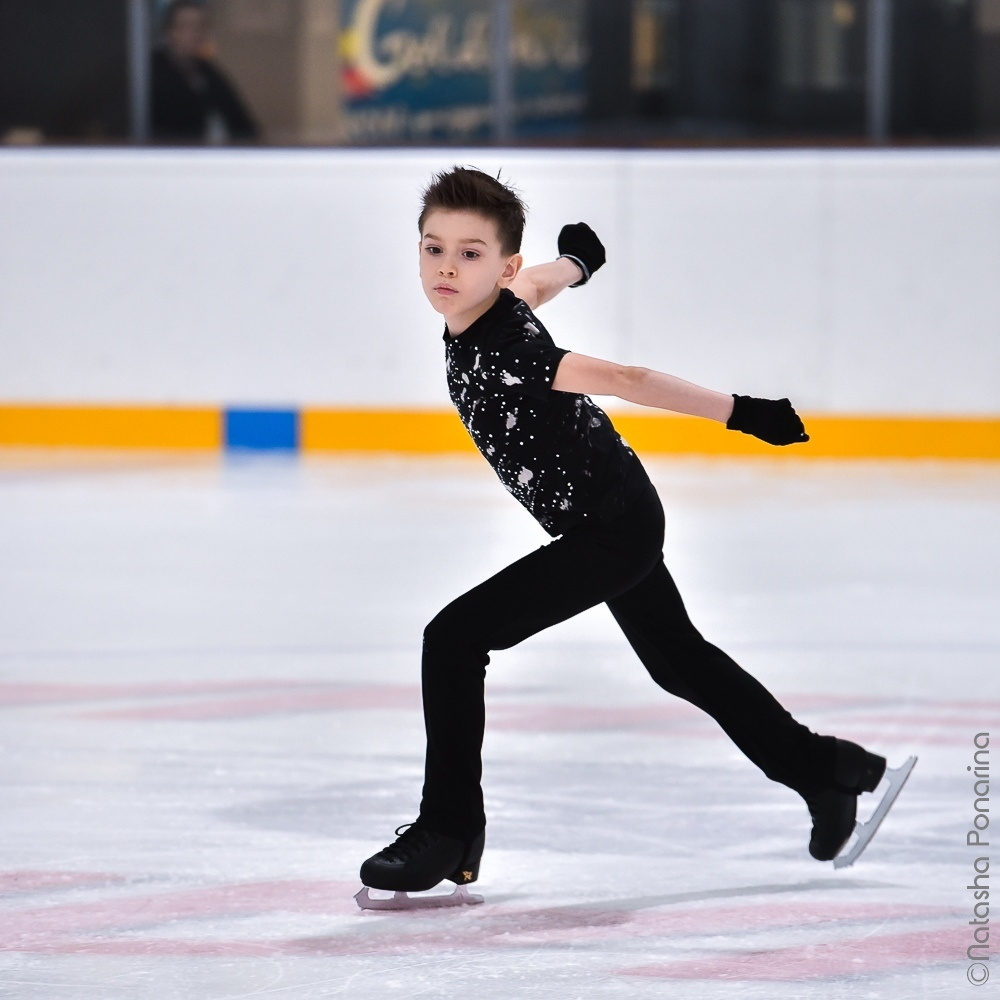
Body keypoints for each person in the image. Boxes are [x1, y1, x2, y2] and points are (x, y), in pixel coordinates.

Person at [356, 167, 914, 909]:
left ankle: (449, 830)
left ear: (502, 264)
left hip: (608, 530)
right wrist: (578, 265)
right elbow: (539, 286)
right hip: (615, 511)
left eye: (469, 254)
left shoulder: (509, 349)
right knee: (679, 662)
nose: (447, 270)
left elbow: (626, 376)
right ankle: (829, 771)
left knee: (454, 639)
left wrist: (742, 412)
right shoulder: (492, 305)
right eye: (433, 250)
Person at [151, 0, 258, 145]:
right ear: (170, 31)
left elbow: (244, 125)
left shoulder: (208, 71)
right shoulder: (150, 72)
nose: (194, 34)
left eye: (200, 26)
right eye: (187, 26)